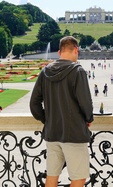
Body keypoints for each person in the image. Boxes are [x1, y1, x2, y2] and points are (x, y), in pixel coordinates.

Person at [30, 36, 93, 187]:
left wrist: (48, 119)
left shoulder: (45, 71)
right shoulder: (78, 71)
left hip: (52, 133)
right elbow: (86, 103)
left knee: (51, 177)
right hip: (74, 133)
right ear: (76, 50)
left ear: (59, 52)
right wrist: (88, 118)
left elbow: (34, 103)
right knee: (78, 178)